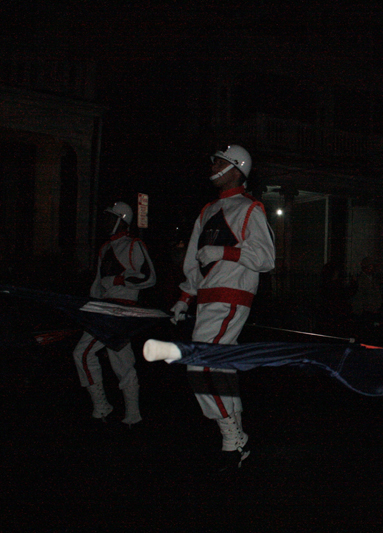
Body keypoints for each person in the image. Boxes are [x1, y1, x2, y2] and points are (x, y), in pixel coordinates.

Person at [170, 145, 275, 471]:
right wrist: (184, 297)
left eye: (219, 162)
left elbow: (266, 258)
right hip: (207, 299)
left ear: (236, 169)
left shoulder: (250, 208)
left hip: (232, 296)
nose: (213, 166)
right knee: (220, 366)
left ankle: (233, 436)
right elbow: (193, 261)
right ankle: (236, 436)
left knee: (200, 365)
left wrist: (224, 252)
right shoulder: (208, 210)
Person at [72, 201, 156, 426]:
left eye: (111, 218)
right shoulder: (105, 248)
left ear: (122, 221)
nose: (106, 222)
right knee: (121, 361)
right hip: (105, 310)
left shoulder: (134, 245)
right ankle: (132, 415)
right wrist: (91, 309)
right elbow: (97, 285)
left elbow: (149, 277)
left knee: (83, 354)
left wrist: (119, 280)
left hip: (120, 311)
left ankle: (102, 407)